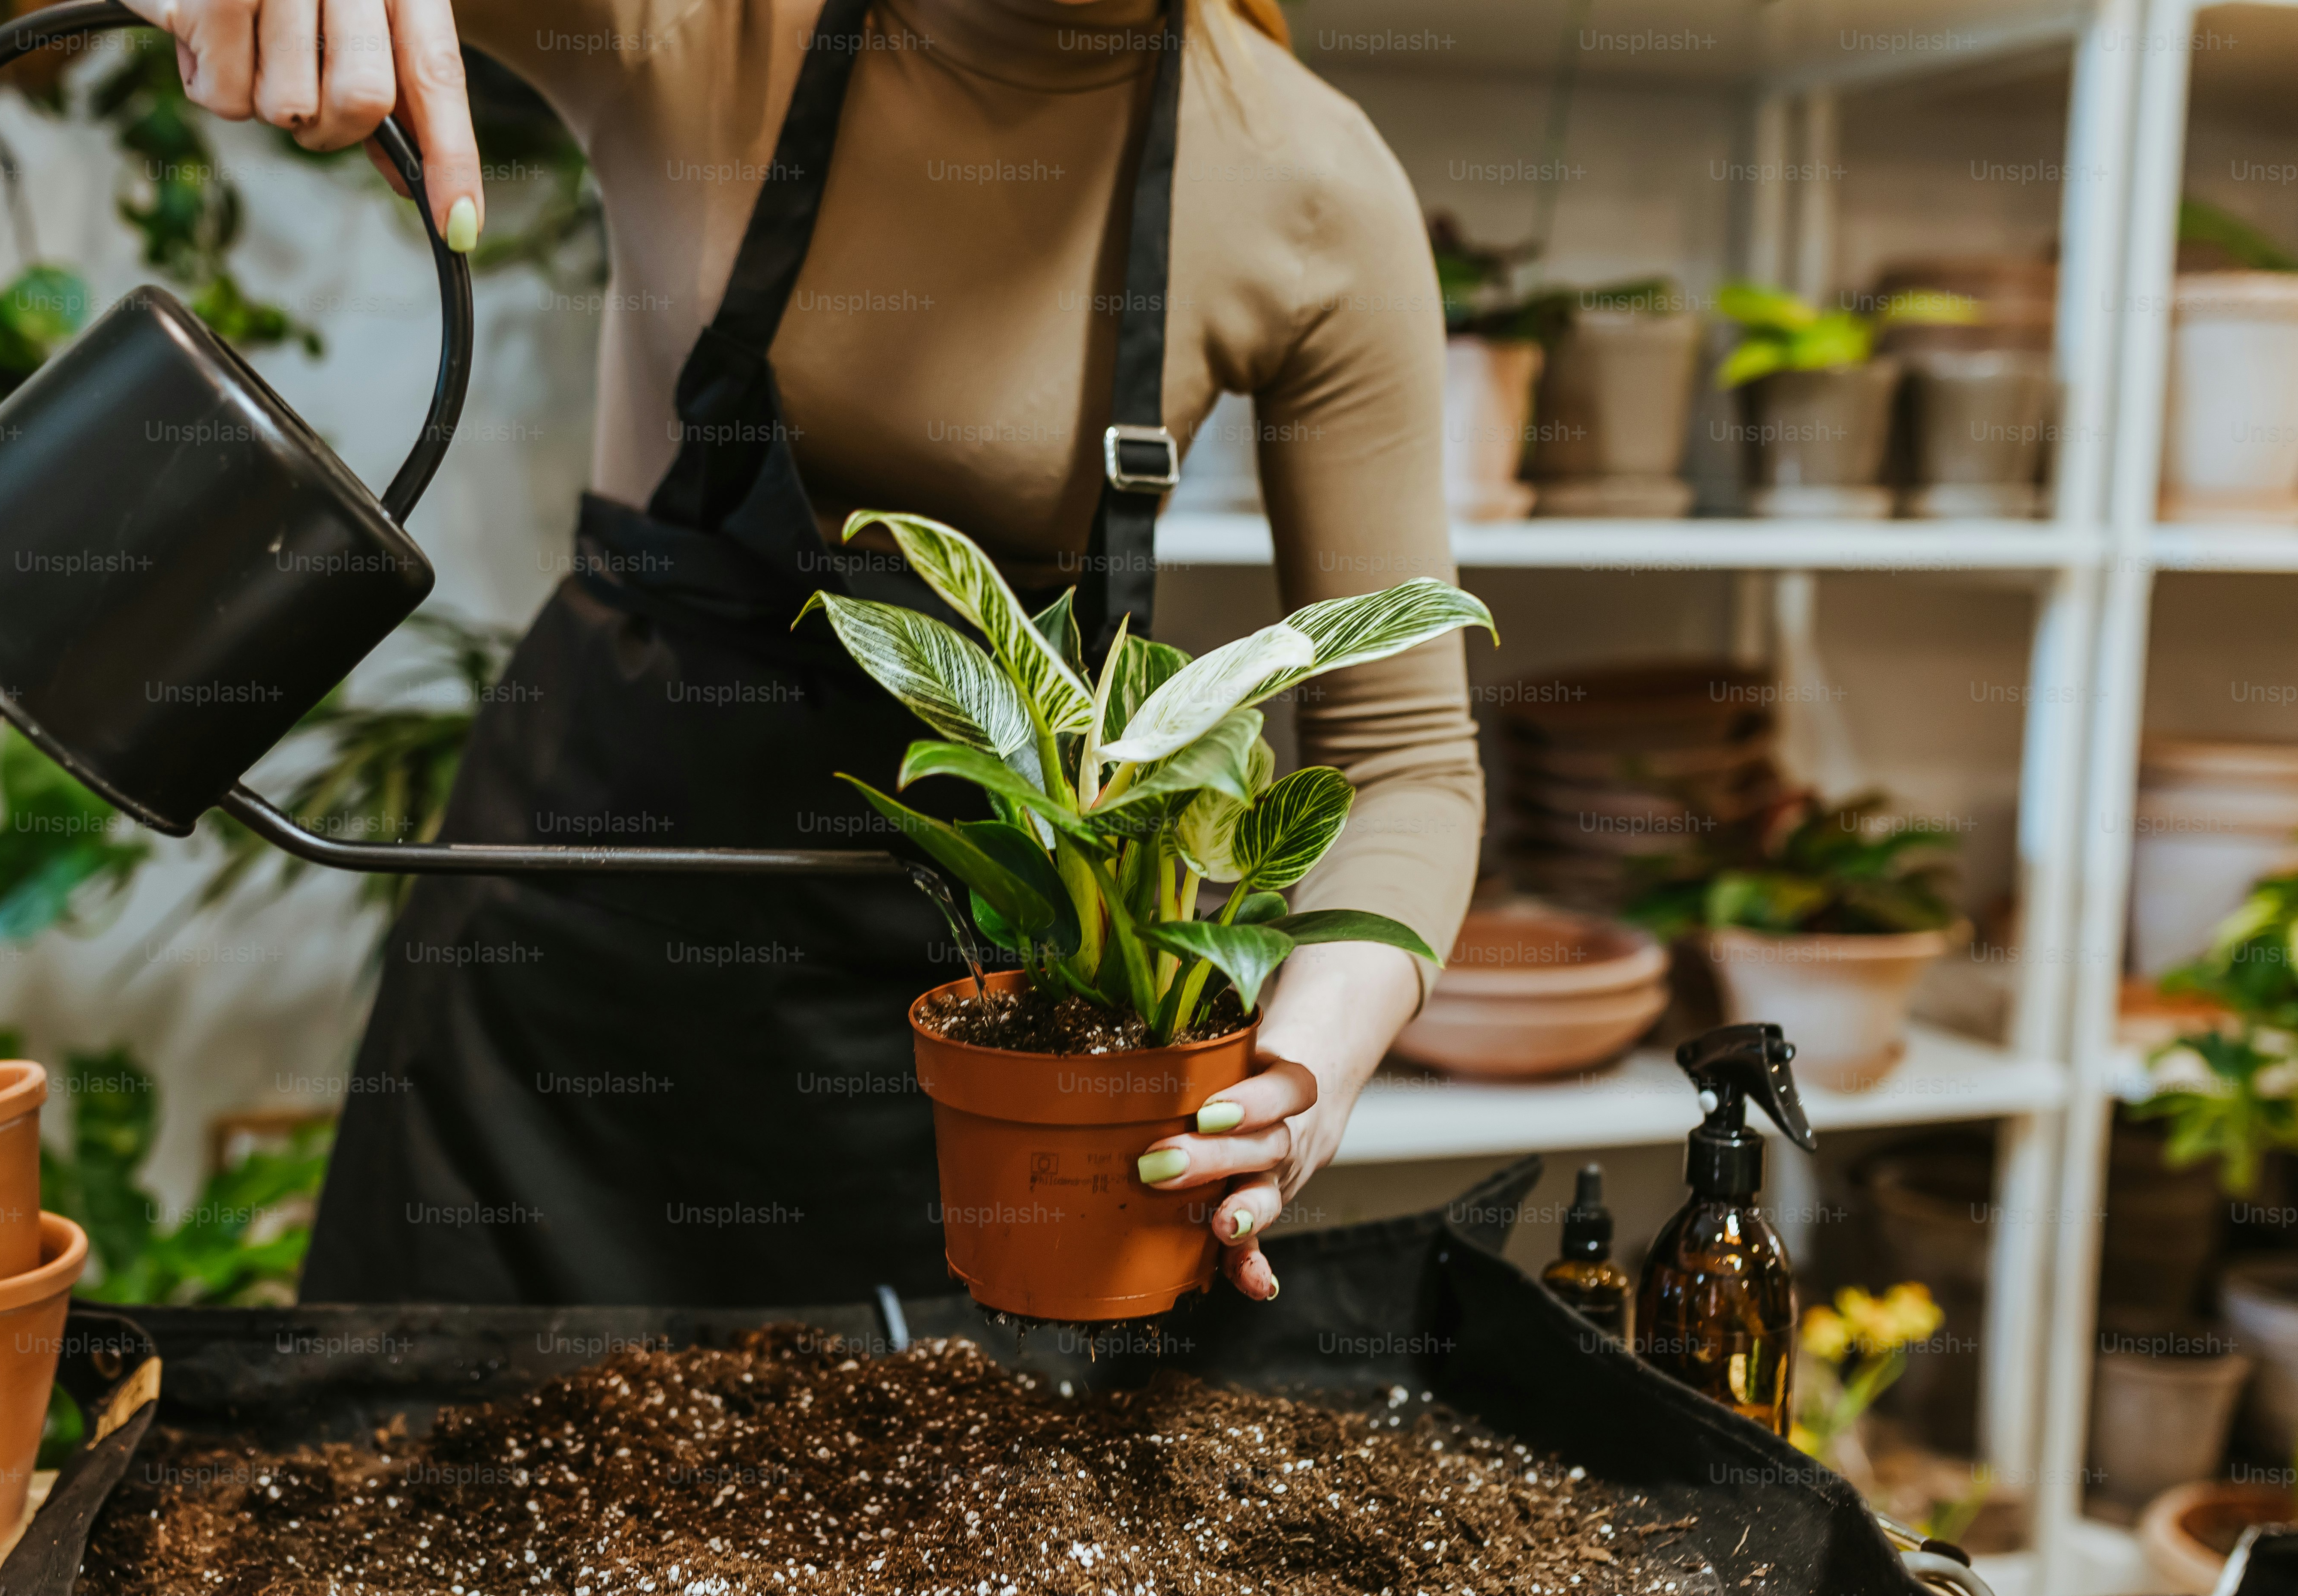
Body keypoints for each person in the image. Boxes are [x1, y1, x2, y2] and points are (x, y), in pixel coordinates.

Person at [125, 0, 1483, 1308]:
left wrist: (1299, 1080)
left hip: (979, 1082)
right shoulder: (696, 25)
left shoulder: (1309, 188)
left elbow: (1406, 763)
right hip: (549, 1031)